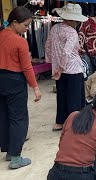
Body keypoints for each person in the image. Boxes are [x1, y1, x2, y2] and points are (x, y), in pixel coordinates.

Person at [0, 6, 42, 169]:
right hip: (14, 81)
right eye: (25, 25)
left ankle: (9, 150)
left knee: (3, 116)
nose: (27, 29)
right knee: (19, 118)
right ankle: (15, 157)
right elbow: (26, 67)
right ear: (15, 22)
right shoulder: (19, 41)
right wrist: (35, 87)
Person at [45, 3, 87, 131]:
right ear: (72, 19)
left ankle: (60, 122)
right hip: (72, 69)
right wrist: (61, 68)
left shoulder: (55, 28)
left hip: (59, 69)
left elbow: (48, 46)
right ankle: (73, 125)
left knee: (62, 96)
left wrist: (54, 64)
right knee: (74, 99)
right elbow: (67, 52)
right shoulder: (72, 32)